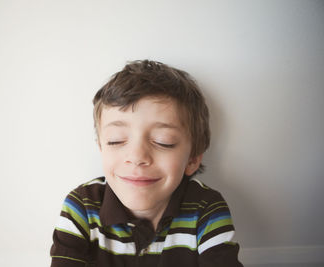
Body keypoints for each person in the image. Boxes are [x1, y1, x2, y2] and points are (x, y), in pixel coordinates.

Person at [50, 60, 243, 267]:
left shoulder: (207, 209)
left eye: (163, 141)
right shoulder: (82, 206)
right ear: (101, 148)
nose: (137, 156)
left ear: (193, 158)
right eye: (116, 140)